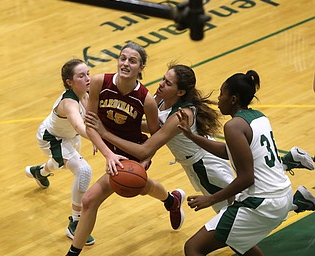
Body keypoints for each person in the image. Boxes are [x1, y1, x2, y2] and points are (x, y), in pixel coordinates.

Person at [86, 63, 314, 214]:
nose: (161, 84)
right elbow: (155, 130)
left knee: (236, 211)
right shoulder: (160, 98)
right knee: (242, 201)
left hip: (205, 165)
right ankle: (289, 165)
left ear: (181, 92)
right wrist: (115, 124)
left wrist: (106, 133)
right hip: (200, 158)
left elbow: (148, 146)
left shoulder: (181, 114)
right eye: (163, 79)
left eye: (167, 82)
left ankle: (296, 200)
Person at [65, 42, 184, 256]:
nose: (125, 63)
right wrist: (108, 154)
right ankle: (171, 200)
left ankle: (72, 253)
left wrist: (146, 158)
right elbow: (92, 126)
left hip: (132, 152)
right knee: (142, 186)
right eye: (123, 58)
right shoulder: (101, 82)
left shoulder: (146, 100)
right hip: (112, 151)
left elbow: (156, 135)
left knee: (89, 200)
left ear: (141, 68)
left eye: (132, 60)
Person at [177, 70, 313, 256]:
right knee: (239, 241)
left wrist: (211, 199)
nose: (218, 99)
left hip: (261, 203)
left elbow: (246, 178)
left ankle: (292, 162)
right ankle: (292, 168)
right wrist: (192, 136)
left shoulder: (233, 127)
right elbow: (228, 152)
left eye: (222, 94)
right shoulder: (258, 117)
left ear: (233, 99)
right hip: (283, 196)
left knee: (193, 247)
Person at [25, 59, 95, 245]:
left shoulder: (86, 93)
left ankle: (39, 172)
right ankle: (76, 222)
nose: (88, 78)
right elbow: (80, 127)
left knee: (61, 163)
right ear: (69, 82)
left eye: (88, 73)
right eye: (81, 76)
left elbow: (90, 118)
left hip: (69, 137)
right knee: (84, 171)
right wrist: (99, 139)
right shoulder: (69, 103)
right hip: (52, 139)